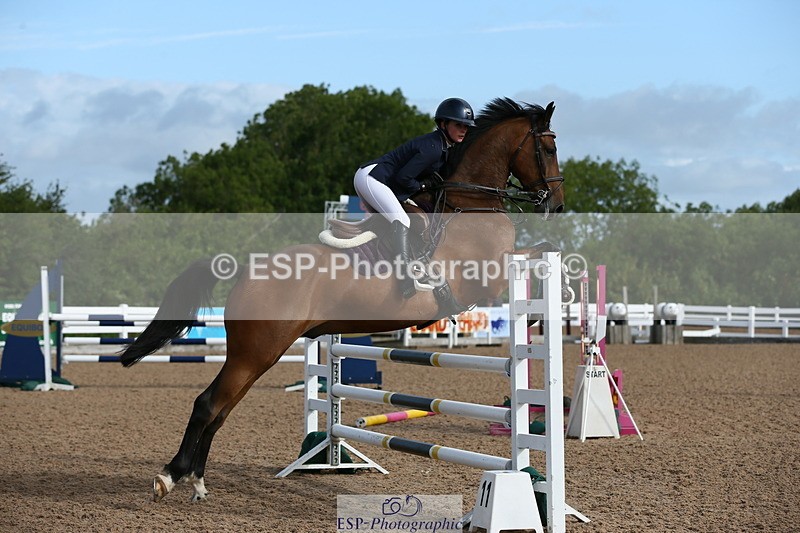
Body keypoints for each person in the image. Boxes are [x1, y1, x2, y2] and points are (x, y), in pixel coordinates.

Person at [353, 97, 475, 298]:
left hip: (381, 180)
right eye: (458, 125)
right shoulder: (433, 148)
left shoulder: (442, 146)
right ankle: (404, 277)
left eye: (466, 126)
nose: (463, 130)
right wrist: (423, 186)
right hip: (372, 178)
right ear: (443, 124)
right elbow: (403, 178)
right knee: (402, 220)